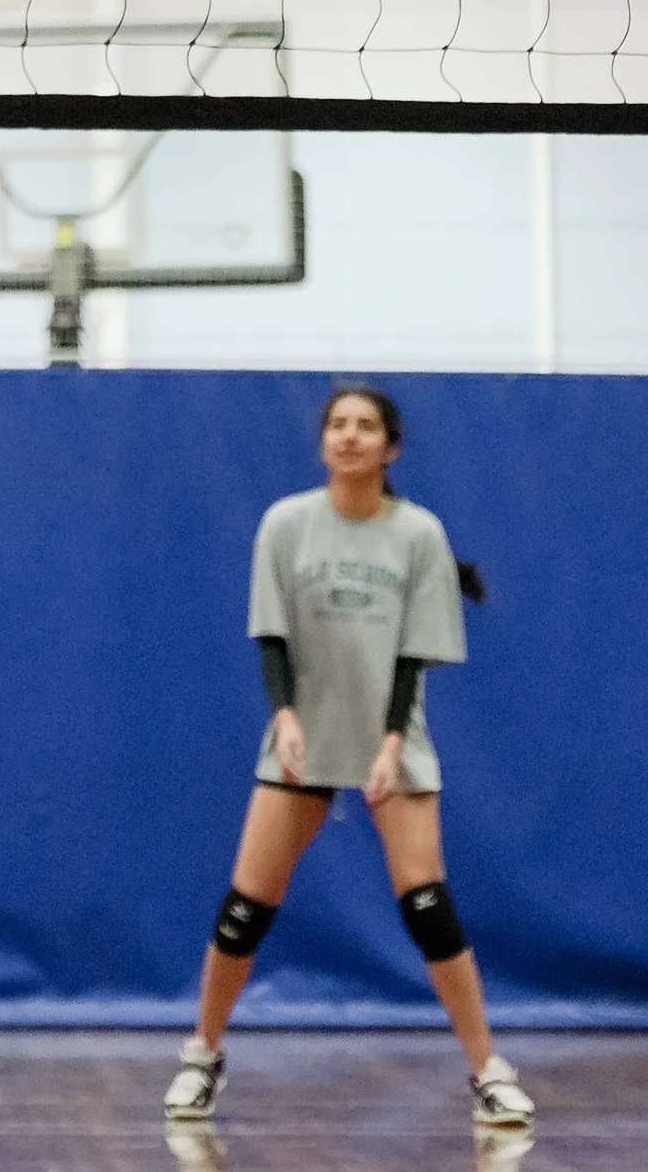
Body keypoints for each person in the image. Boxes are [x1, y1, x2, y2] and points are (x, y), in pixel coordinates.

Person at [162, 382, 533, 1133]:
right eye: (339, 424)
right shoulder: (286, 524)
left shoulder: (418, 533)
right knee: (244, 908)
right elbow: (272, 632)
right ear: (323, 441)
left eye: (367, 426)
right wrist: (286, 716)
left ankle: (488, 1071)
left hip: (389, 735)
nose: (351, 436)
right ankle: (202, 1055)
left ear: (390, 448)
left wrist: (392, 738)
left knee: (427, 904)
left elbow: (412, 651)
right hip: (306, 730)